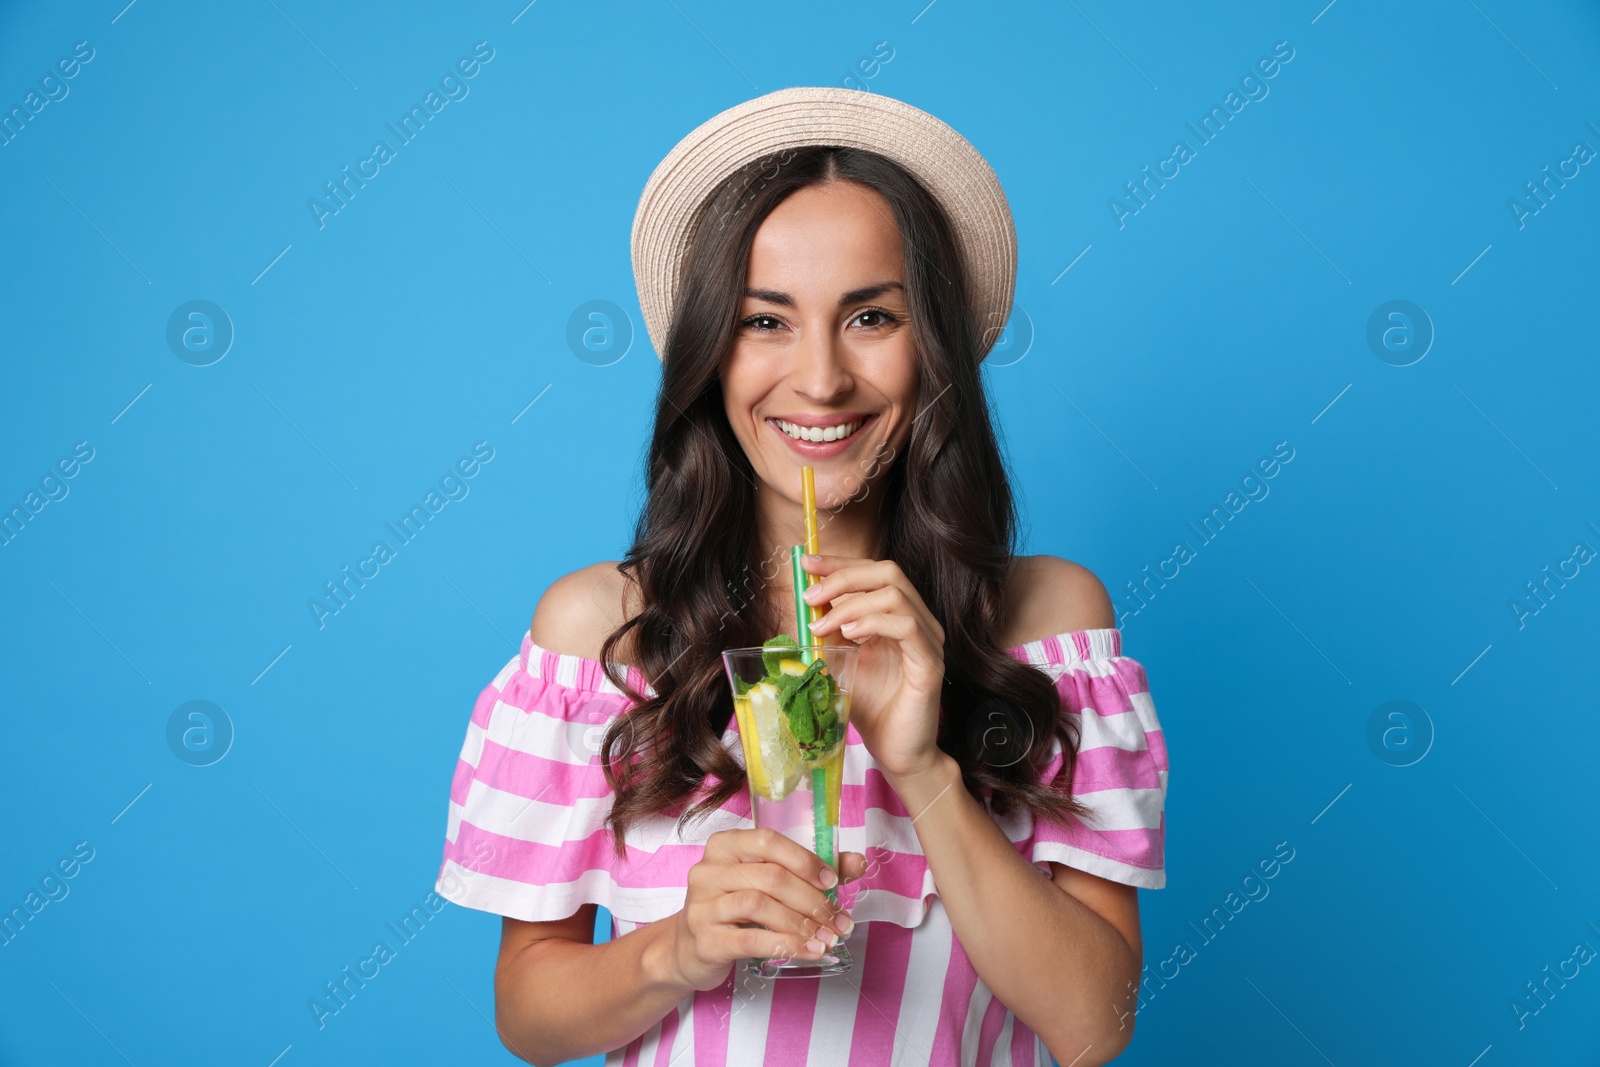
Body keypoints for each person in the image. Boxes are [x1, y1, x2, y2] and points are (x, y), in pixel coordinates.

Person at [435, 86, 1169, 1067]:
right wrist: (678, 949)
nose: (820, 379)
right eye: (765, 321)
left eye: (870, 315)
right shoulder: (599, 634)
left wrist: (922, 769)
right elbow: (527, 1013)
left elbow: (1093, 1021)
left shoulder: (1043, 621)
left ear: (933, 346)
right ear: (710, 349)